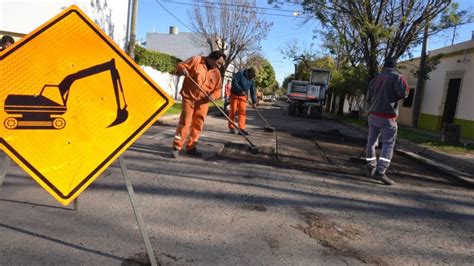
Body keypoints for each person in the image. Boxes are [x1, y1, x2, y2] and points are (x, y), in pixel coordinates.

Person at [171, 50, 226, 158]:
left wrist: (213, 96)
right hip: (189, 97)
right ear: (211, 58)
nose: (219, 66)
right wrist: (183, 69)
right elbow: (180, 65)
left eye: (221, 64)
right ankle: (176, 147)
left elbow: (218, 90)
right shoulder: (196, 60)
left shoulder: (217, 74)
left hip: (203, 102)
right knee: (185, 122)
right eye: (218, 63)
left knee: (198, 124)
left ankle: (191, 147)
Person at [365, 57, 409, 185]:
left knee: (371, 142)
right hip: (387, 116)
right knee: (388, 144)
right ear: (395, 66)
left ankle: (370, 166)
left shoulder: (375, 79)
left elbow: (368, 96)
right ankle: (380, 172)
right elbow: (404, 93)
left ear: (384, 66)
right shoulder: (398, 77)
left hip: (373, 115)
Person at [228, 68, 257, 135]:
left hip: (243, 97)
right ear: (248, 73)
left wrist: (254, 102)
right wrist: (240, 90)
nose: (251, 78)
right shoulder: (240, 74)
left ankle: (241, 128)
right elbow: (234, 82)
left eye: (252, 77)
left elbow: (253, 91)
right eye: (251, 76)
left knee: (242, 112)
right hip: (234, 95)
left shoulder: (252, 80)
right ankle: (231, 127)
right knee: (233, 112)